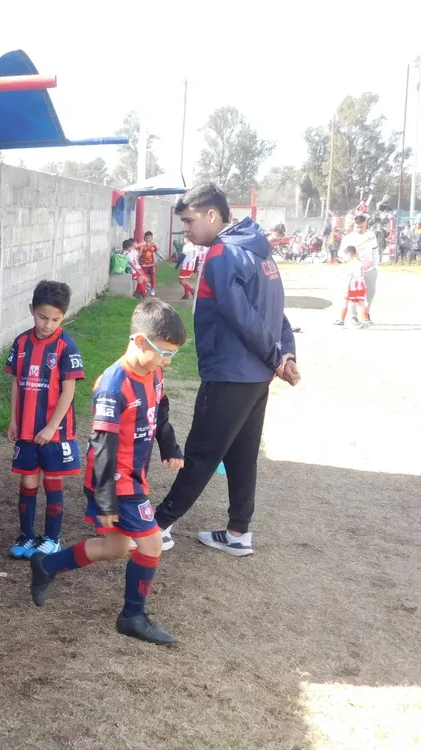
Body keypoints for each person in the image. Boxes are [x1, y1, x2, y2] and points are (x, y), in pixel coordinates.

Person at [153, 184, 300, 556]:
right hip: (255, 376)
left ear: (211, 215)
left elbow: (241, 315)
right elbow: (277, 312)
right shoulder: (262, 253)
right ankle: (238, 533)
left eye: (188, 220)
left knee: (202, 452)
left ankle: (157, 526)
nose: (185, 229)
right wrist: (284, 357)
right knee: (241, 453)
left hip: (231, 374)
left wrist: (276, 357)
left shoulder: (222, 253)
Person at [30, 298, 186, 644]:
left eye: (173, 354)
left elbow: (159, 410)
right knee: (151, 542)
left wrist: (170, 446)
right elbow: (100, 446)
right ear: (139, 341)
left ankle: (46, 566)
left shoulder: (154, 371)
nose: (167, 361)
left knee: (115, 548)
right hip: (114, 483)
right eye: (164, 352)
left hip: (134, 477)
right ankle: (132, 615)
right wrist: (105, 501)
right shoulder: (114, 386)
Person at [5, 280, 85, 558]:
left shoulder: (66, 346)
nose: (48, 324)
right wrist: (14, 420)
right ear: (32, 310)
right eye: (42, 317)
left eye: (55, 319)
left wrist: (52, 426)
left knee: (53, 482)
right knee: (28, 483)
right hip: (26, 429)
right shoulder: (21, 342)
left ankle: (52, 538)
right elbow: (16, 382)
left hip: (56, 432)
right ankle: (26, 536)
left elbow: (69, 389)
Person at [340, 215, 379, 315]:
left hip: (369, 269)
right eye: (357, 227)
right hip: (355, 271)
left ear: (366, 224)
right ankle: (354, 316)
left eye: (362, 227)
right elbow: (340, 252)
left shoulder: (371, 236)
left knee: (370, 293)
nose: (359, 229)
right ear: (354, 225)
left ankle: (366, 313)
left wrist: (375, 267)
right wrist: (346, 258)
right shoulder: (348, 238)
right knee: (355, 293)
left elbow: (375, 252)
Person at [333, 247, 372, 328]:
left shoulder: (352, 263)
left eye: (346, 255)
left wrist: (346, 287)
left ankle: (343, 319)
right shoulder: (358, 261)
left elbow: (351, 276)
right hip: (360, 284)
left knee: (346, 301)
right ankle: (364, 320)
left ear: (349, 254)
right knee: (360, 302)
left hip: (353, 284)